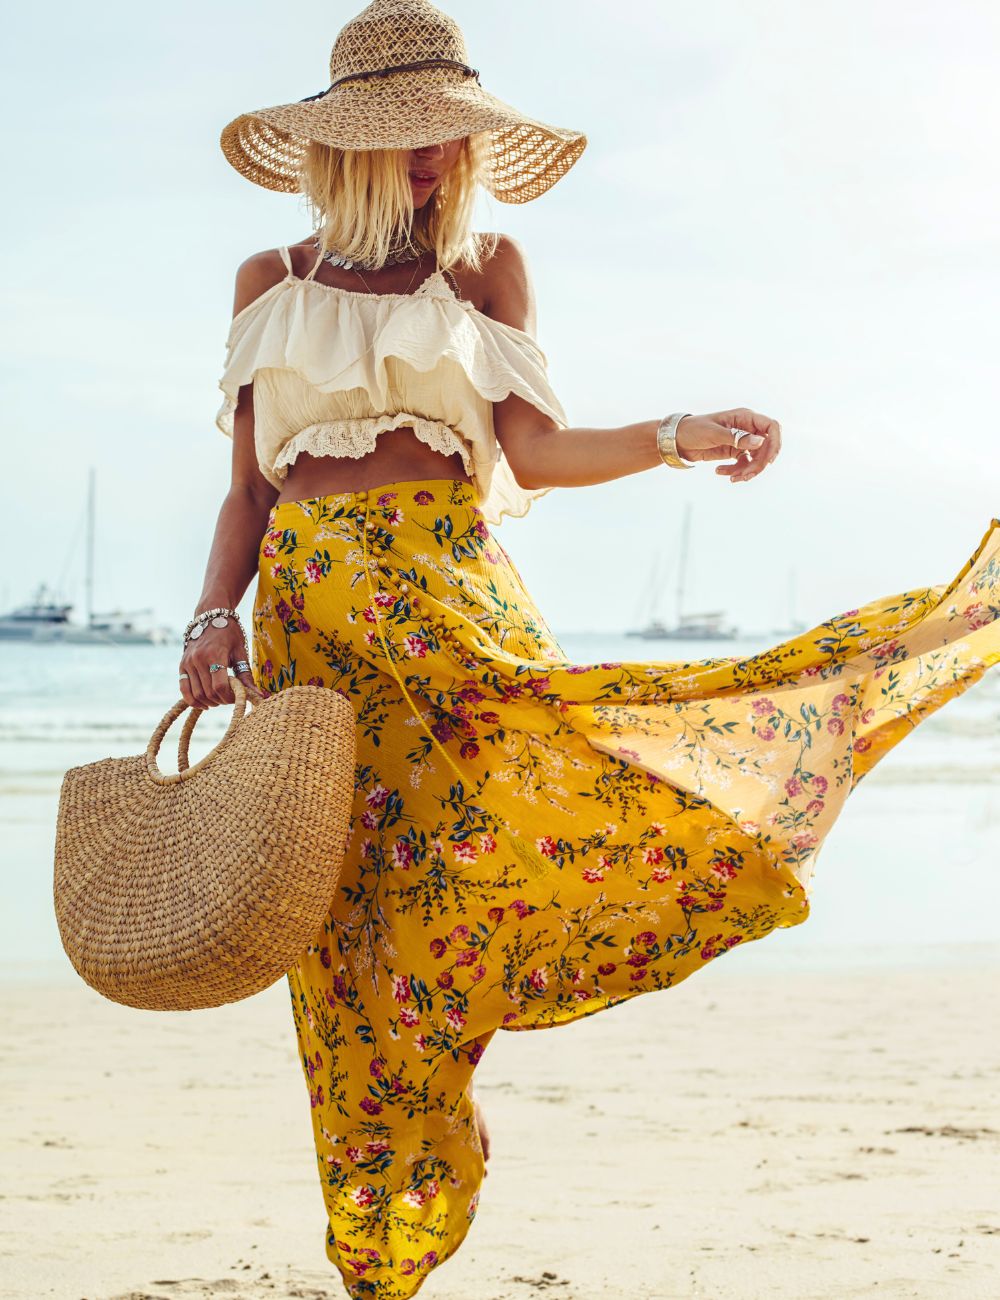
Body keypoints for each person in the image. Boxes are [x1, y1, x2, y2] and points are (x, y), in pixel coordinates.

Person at [177, 1, 1000, 1295]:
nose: (437, 158)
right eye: (409, 138)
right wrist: (210, 616)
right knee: (344, 942)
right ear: (342, 147)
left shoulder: (485, 271)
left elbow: (534, 456)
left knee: (466, 888)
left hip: (452, 625)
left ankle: (445, 1074)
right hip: (311, 656)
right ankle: (384, 1235)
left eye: (451, 135)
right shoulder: (267, 286)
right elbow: (248, 494)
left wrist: (677, 432)